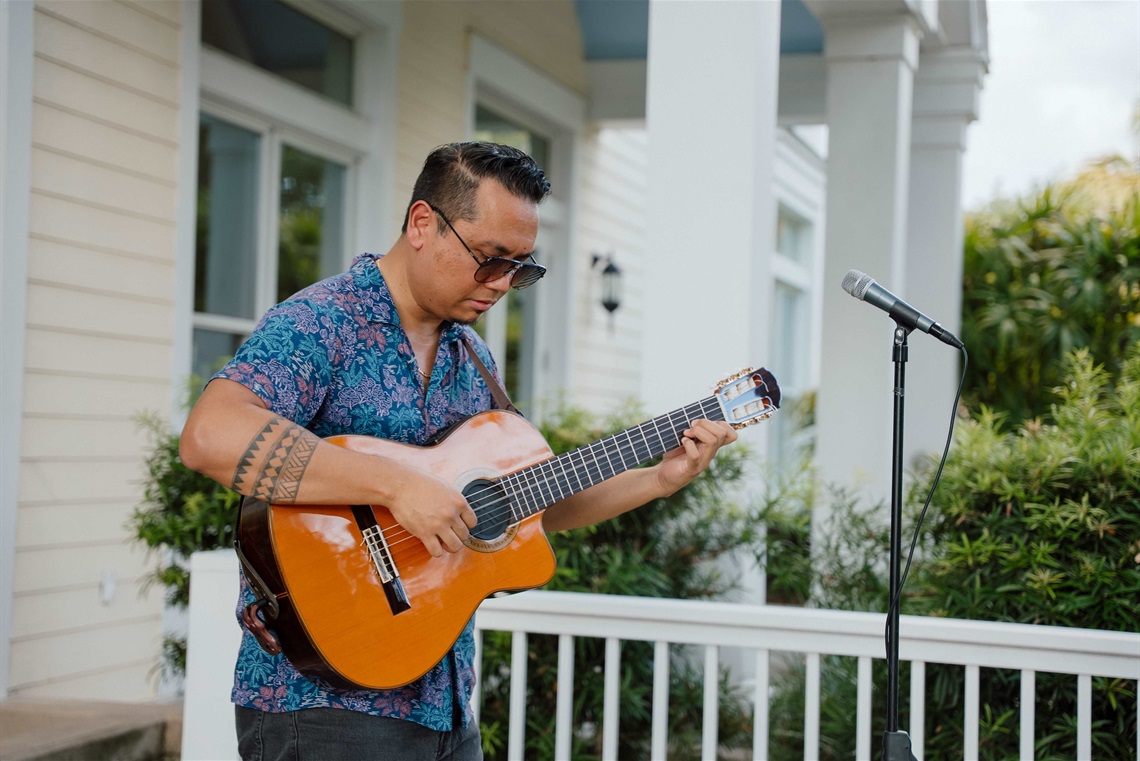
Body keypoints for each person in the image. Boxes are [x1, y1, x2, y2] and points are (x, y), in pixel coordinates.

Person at [179, 141, 737, 761]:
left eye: (521, 268)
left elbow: (528, 509)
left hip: (445, 705)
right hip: (322, 706)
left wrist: (657, 480)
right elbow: (210, 437)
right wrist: (394, 486)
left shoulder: (472, 359)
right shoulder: (322, 322)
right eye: (489, 259)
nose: (501, 284)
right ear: (423, 224)